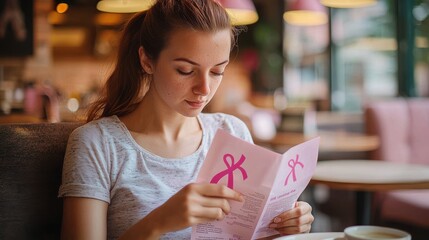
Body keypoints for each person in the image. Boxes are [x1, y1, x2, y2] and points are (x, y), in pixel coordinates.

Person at [58, 0, 314, 239]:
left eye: (217, 71)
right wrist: (160, 221)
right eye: (186, 70)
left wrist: (281, 226)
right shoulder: (98, 145)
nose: (204, 88)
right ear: (147, 60)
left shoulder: (231, 131)